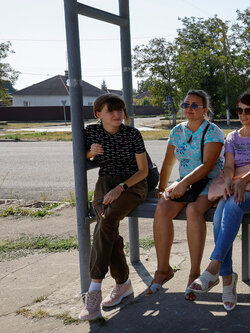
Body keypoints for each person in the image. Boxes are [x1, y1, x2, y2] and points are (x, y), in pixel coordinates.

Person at [187, 91, 250, 310]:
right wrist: (229, 181)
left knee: (232, 204)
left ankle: (214, 270)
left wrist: (241, 181)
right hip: (239, 188)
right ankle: (226, 280)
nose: (243, 114)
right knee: (222, 210)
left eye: (248, 110)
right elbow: (228, 166)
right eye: (239, 110)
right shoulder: (232, 137)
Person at [144, 89, 224, 302]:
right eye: (186, 105)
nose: (189, 109)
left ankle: (194, 273)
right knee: (161, 208)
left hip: (207, 183)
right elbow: (169, 162)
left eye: (195, 105)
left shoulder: (213, 131)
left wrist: (182, 183)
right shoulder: (177, 131)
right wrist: (162, 188)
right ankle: (163, 270)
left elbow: (208, 166)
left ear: (204, 110)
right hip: (184, 185)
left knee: (194, 211)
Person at [78, 94, 149, 320]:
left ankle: (94, 290)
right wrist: (91, 153)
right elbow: (83, 156)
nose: (118, 115)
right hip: (105, 181)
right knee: (107, 227)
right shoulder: (91, 132)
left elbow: (143, 171)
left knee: (106, 222)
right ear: (99, 114)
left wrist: (121, 188)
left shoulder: (132, 134)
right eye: (111, 111)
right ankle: (123, 283)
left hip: (133, 184)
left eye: (120, 110)